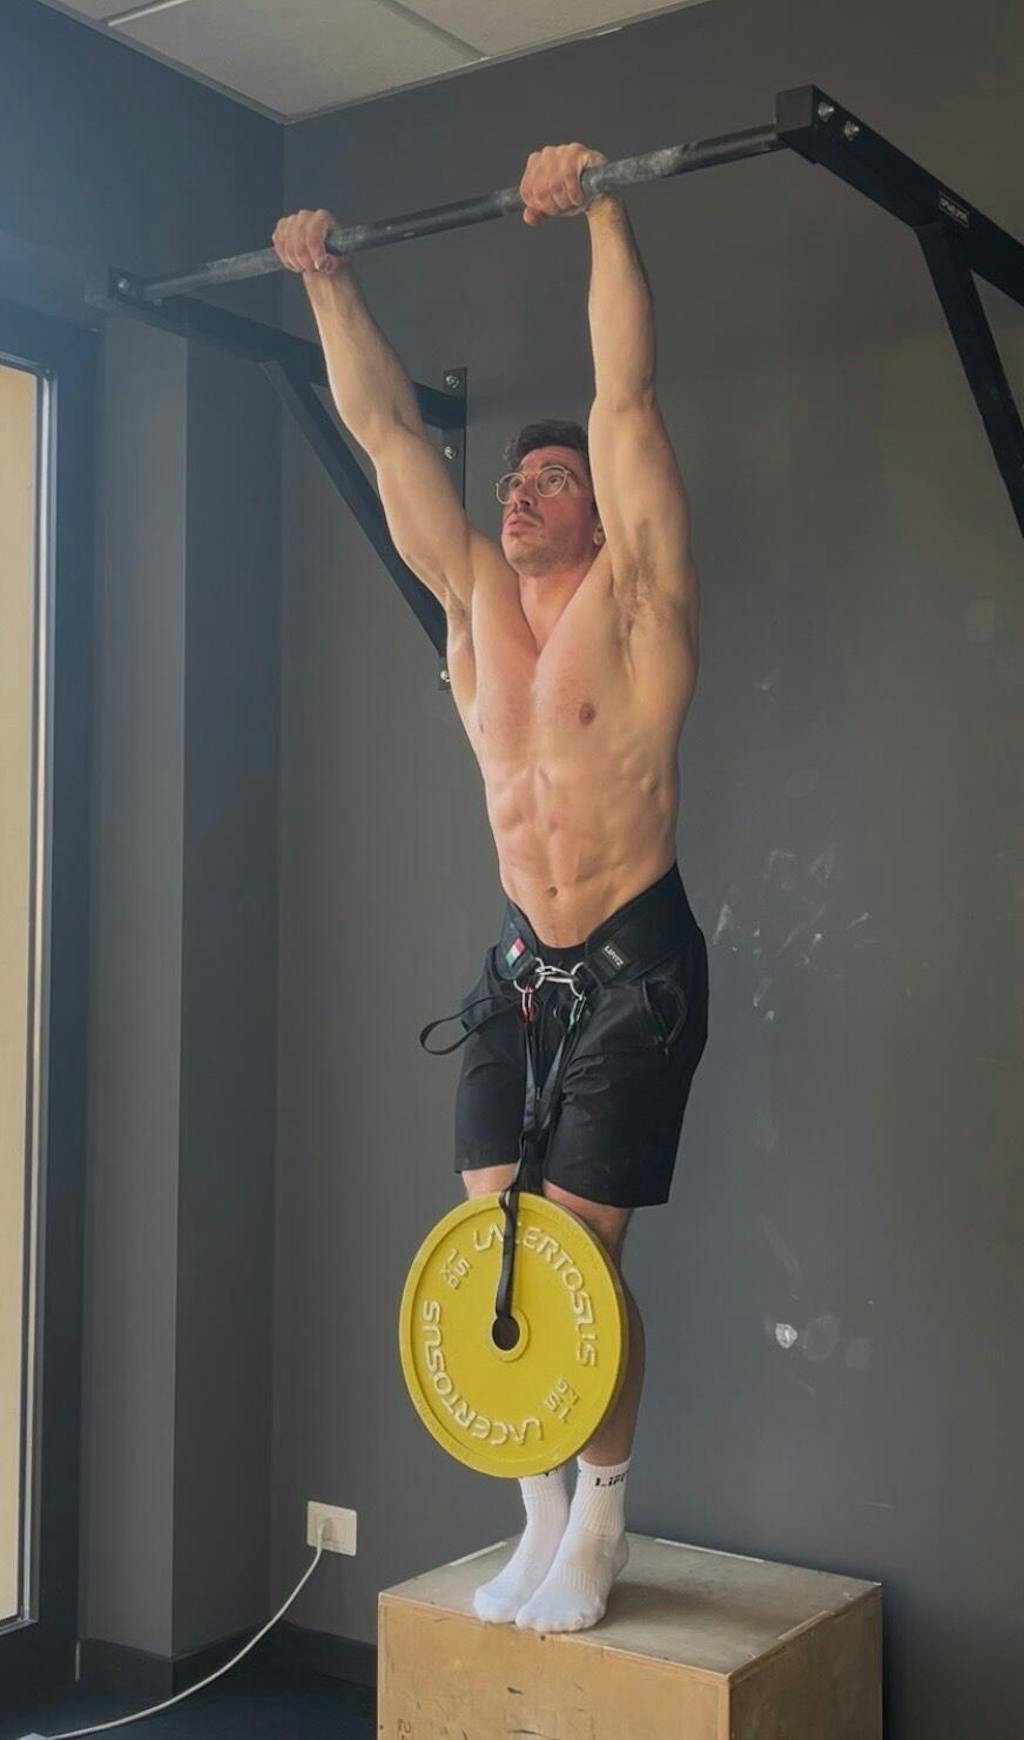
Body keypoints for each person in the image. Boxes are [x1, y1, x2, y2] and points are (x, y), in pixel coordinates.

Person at [272, 143, 709, 1635]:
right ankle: (533, 1516)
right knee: (493, 1255)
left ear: (599, 516)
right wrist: (325, 281)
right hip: (523, 964)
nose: (521, 494)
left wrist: (602, 208)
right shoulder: (470, 604)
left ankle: (604, 1523)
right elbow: (383, 427)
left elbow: (625, 399)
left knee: (580, 1267)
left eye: (550, 481)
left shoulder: (638, 607)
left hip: (636, 962)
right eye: (515, 480)